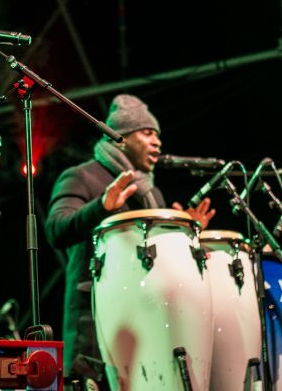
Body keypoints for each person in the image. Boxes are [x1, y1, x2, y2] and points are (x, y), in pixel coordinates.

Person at [45, 94, 215, 387]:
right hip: (95, 324)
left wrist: (186, 235)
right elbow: (56, 229)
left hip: (149, 323)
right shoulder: (81, 176)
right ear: (121, 137)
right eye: (147, 133)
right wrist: (101, 206)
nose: (157, 142)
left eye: (158, 135)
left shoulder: (151, 194)